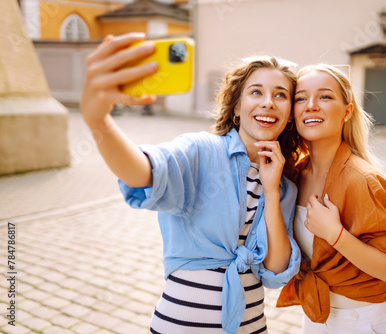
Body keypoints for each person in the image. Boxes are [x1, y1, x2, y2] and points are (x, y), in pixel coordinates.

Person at [80, 32, 302, 334]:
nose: (268, 103)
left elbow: (276, 271)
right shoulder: (202, 151)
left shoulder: (285, 186)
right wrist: (99, 122)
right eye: (256, 92)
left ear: (289, 115)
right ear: (236, 107)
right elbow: (143, 172)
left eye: (280, 95)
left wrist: (272, 190)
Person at [276, 64, 386, 333]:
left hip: (365, 321)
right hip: (317, 315)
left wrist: (335, 234)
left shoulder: (364, 180)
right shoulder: (294, 175)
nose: (312, 105)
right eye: (301, 98)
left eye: (325, 96)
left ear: (347, 111)